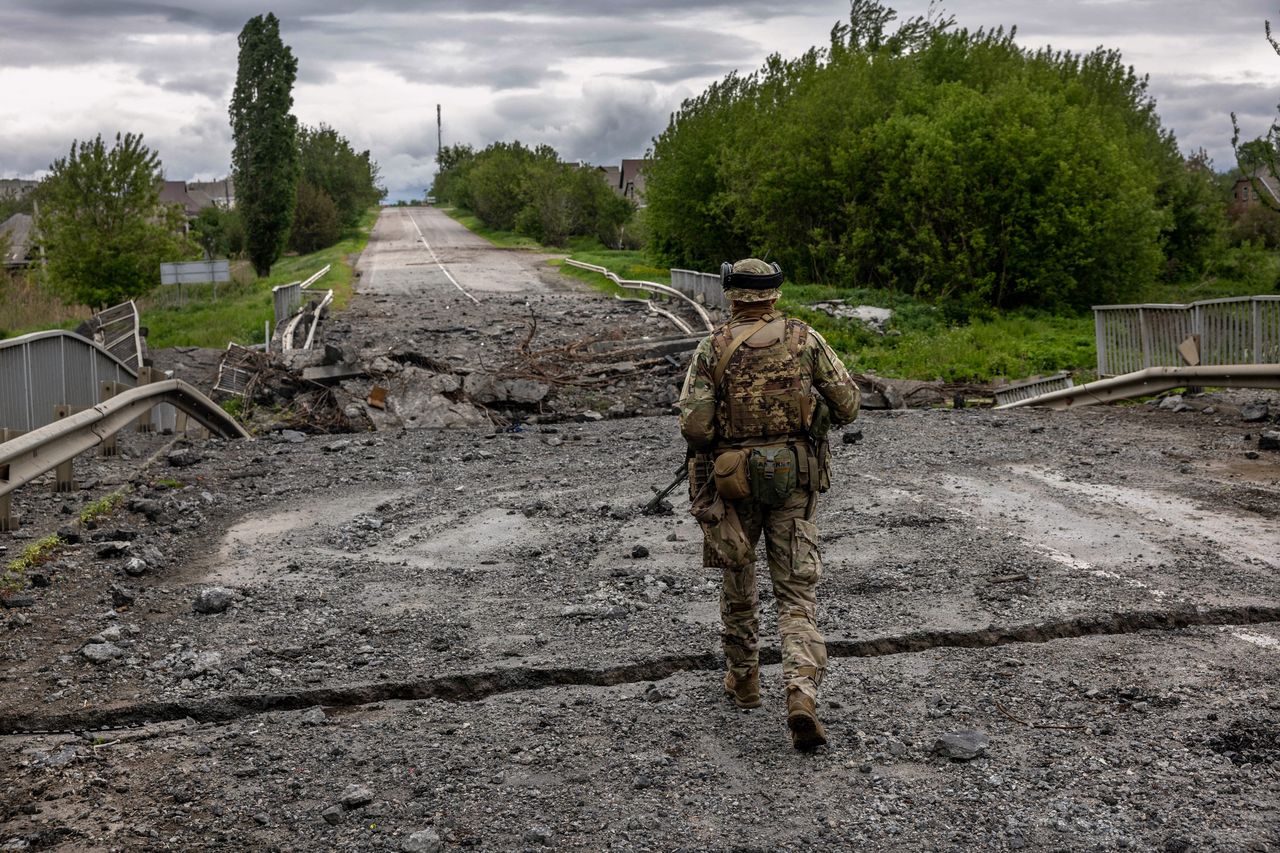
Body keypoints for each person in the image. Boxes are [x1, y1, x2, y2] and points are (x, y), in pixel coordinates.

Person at [677, 258, 860, 751]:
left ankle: (746, 681)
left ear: (731, 296)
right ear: (774, 296)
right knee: (796, 595)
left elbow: (694, 429)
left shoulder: (712, 347)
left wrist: (729, 439)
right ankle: (800, 691)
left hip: (733, 484)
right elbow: (847, 404)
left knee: (739, 576)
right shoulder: (805, 339)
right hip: (795, 481)